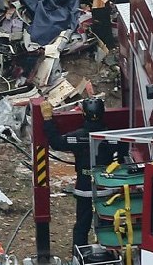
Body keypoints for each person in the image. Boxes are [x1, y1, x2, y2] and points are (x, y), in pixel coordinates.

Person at [40, 98, 117, 254]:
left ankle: (79, 255)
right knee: (107, 224)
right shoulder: (114, 137)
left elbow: (56, 142)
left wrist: (48, 120)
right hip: (107, 189)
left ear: (83, 114)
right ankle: (108, 254)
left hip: (84, 189)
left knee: (82, 225)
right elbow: (123, 154)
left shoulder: (76, 137)